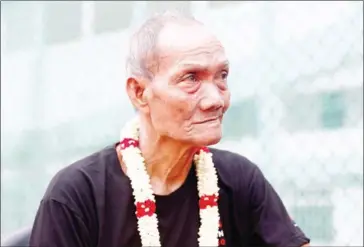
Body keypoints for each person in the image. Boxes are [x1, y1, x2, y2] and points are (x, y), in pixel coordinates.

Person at [29, 12, 310, 247]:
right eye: (191, 78)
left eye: (222, 76)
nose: (216, 99)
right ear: (139, 92)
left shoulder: (239, 180)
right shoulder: (77, 195)